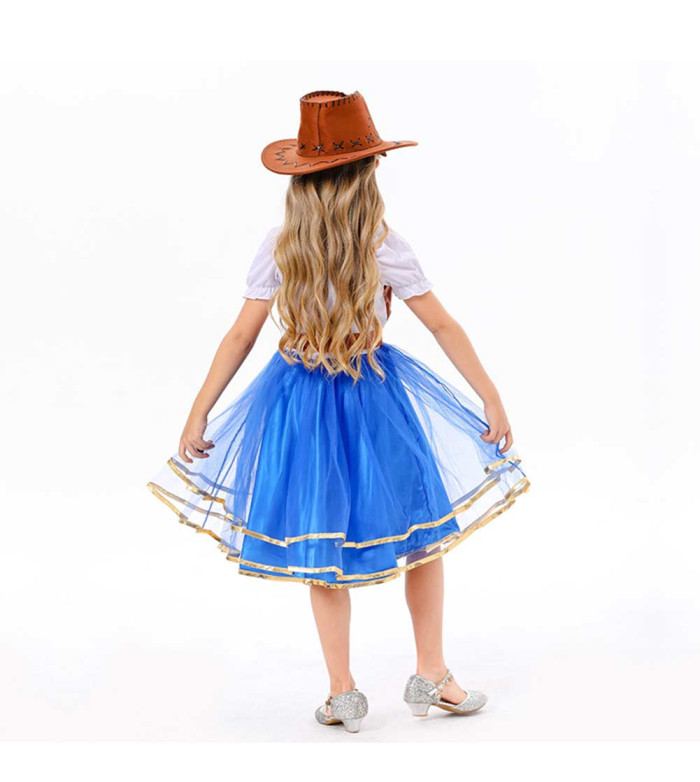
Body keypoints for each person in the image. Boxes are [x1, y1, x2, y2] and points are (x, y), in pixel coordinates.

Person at [147, 90, 530, 734]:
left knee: (319, 540)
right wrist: (488, 393)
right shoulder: (384, 244)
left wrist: (199, 410)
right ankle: (431, 673)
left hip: (299, 404)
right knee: (423, 533)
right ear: (368, 170)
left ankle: (343, 692)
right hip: (375, 397)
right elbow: (441, 324)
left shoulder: (281, 245)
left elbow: (241, 335)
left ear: (302, 177)